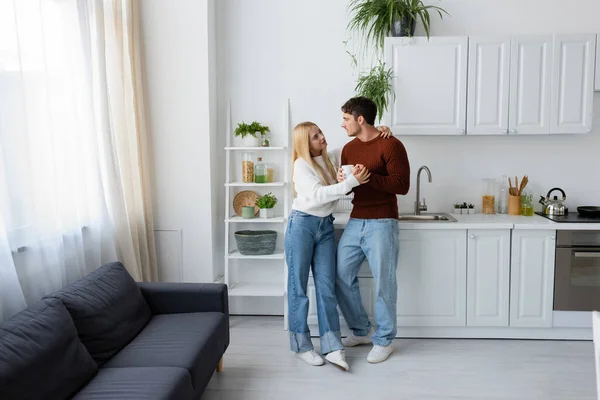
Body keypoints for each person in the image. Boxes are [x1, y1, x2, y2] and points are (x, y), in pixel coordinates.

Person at [286, 121, 390, 370]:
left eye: (320, 132)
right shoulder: (301, 166)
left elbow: (357, 144)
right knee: (298, 288)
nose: (322, 137)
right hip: (302, 226)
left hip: (324, 227)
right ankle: (302, 346)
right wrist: (349, 184)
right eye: (314, 137)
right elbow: (319, 195)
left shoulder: (328, 158)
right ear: (304, 143)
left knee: (326, 287)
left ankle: (332, 346)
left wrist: (380, 131)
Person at [335, 96, 410, 364]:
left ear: (360, 119)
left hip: (383, 221)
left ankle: (385, 340)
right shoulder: (348, 149)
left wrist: (370, 177)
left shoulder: (391, 145)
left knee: (384, 282)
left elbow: (401, 184)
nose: (342, 124)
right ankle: (361, 330)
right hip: (357, 219)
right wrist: (344, 181)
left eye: (345, 118)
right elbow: (352, 186)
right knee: (341, 274)